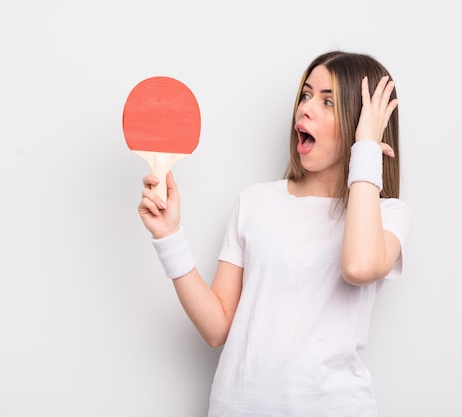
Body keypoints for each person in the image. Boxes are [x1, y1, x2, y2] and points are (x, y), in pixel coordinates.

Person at [137, 50, 411, 417]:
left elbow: (358, 266)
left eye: (328, 101)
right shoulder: (255, 202)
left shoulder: (387, 215)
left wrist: (364, 151)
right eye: (306, 94)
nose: (306, 108)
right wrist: (169, 236)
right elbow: (217, 327)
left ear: (364, 125)